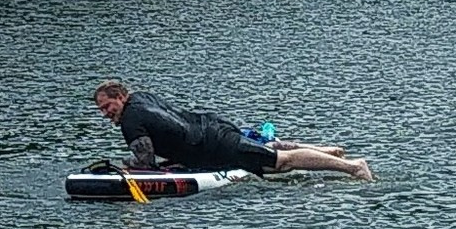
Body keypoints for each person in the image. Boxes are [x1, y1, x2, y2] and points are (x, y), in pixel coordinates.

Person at [92, 81, 373, 180]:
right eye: (102, 110)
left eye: (107, 107)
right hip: (212, 125)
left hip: (214, 144)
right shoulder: (141, 97)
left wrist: (125, 168)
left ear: (120, 96)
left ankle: (353, 167)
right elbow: (168, 131)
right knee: (267, 148)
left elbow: (146, 163)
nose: (106, 114)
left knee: (280, 164)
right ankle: (325, 150)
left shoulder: (130, 121)